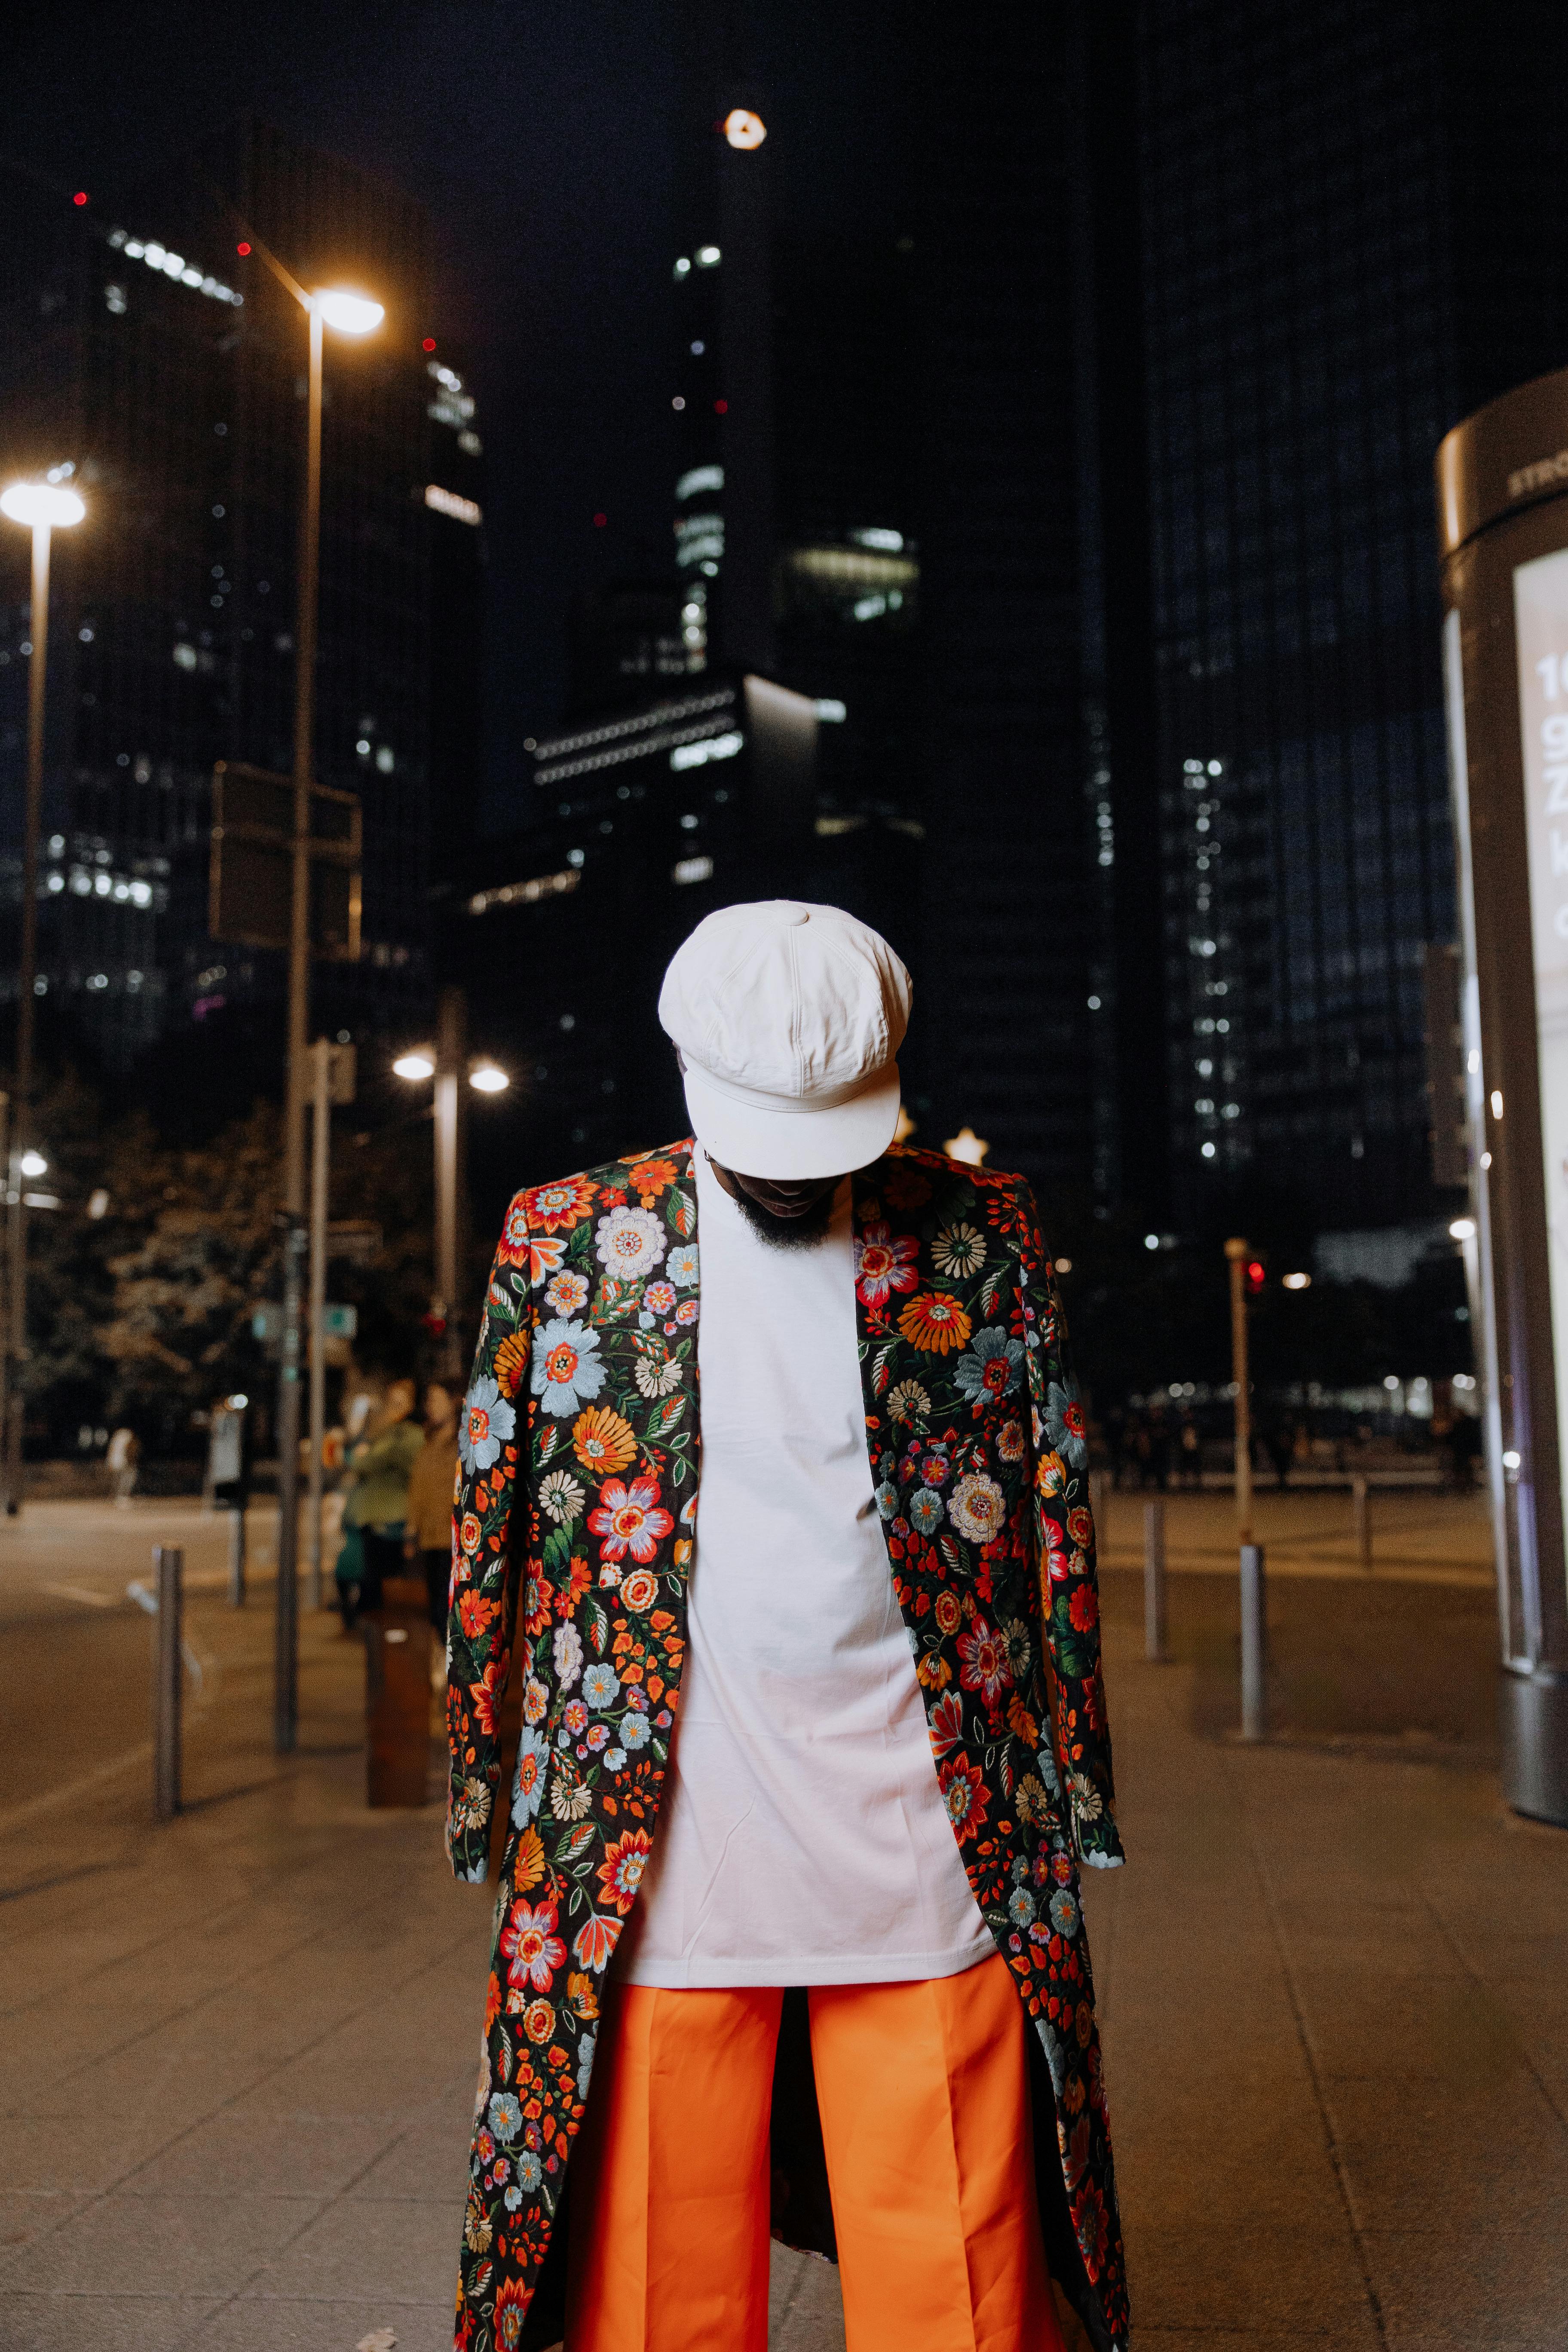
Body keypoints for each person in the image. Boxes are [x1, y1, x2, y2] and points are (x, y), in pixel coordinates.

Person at [445, 901, 1129, 2352]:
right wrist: (479, 1781)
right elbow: (487, 1520)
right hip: (655, 1828)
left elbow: (1052, 1503)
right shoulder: (570, 1236)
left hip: (934, 1820)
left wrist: (1072, 1773)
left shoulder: (982, 1233)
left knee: (955, 2249)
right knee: (651, 2268)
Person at [337, 1376, 422, 1629]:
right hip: (368, 1515)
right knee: (359, 1574)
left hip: (390, 1516)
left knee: (378, 1579)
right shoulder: (385, 1430)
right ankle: (368, 1627)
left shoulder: (406, 1435)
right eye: (392, 1402)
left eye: (401, 1403)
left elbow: (366, 1461)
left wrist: (355, 1456)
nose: (394, 1408)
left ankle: (378, 1634)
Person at [404, 1380, 461, 1639]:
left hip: (455, 1535)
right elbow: (418, 1486)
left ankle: (448, 1658)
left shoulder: (463, 1443)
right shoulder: (427, 1442)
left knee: (449, 1604)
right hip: (430, 1535)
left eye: (438, 1400)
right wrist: (412, 1526)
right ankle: (440, 1654)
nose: (432, 1407)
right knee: (435, 1604)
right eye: (430, 1401)